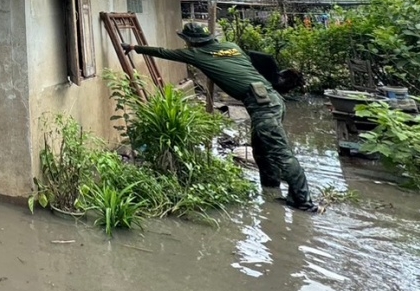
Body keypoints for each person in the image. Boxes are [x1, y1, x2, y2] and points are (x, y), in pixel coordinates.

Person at [123, 23, 317, 211]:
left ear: (191, 41)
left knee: (280, 153)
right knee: (261, 149)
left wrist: (134, 47)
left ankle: (304, 202)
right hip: (274, 100)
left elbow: (164, 52)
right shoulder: (231, 47)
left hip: (262, 106)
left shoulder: (195, 54)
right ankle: (271, 189)